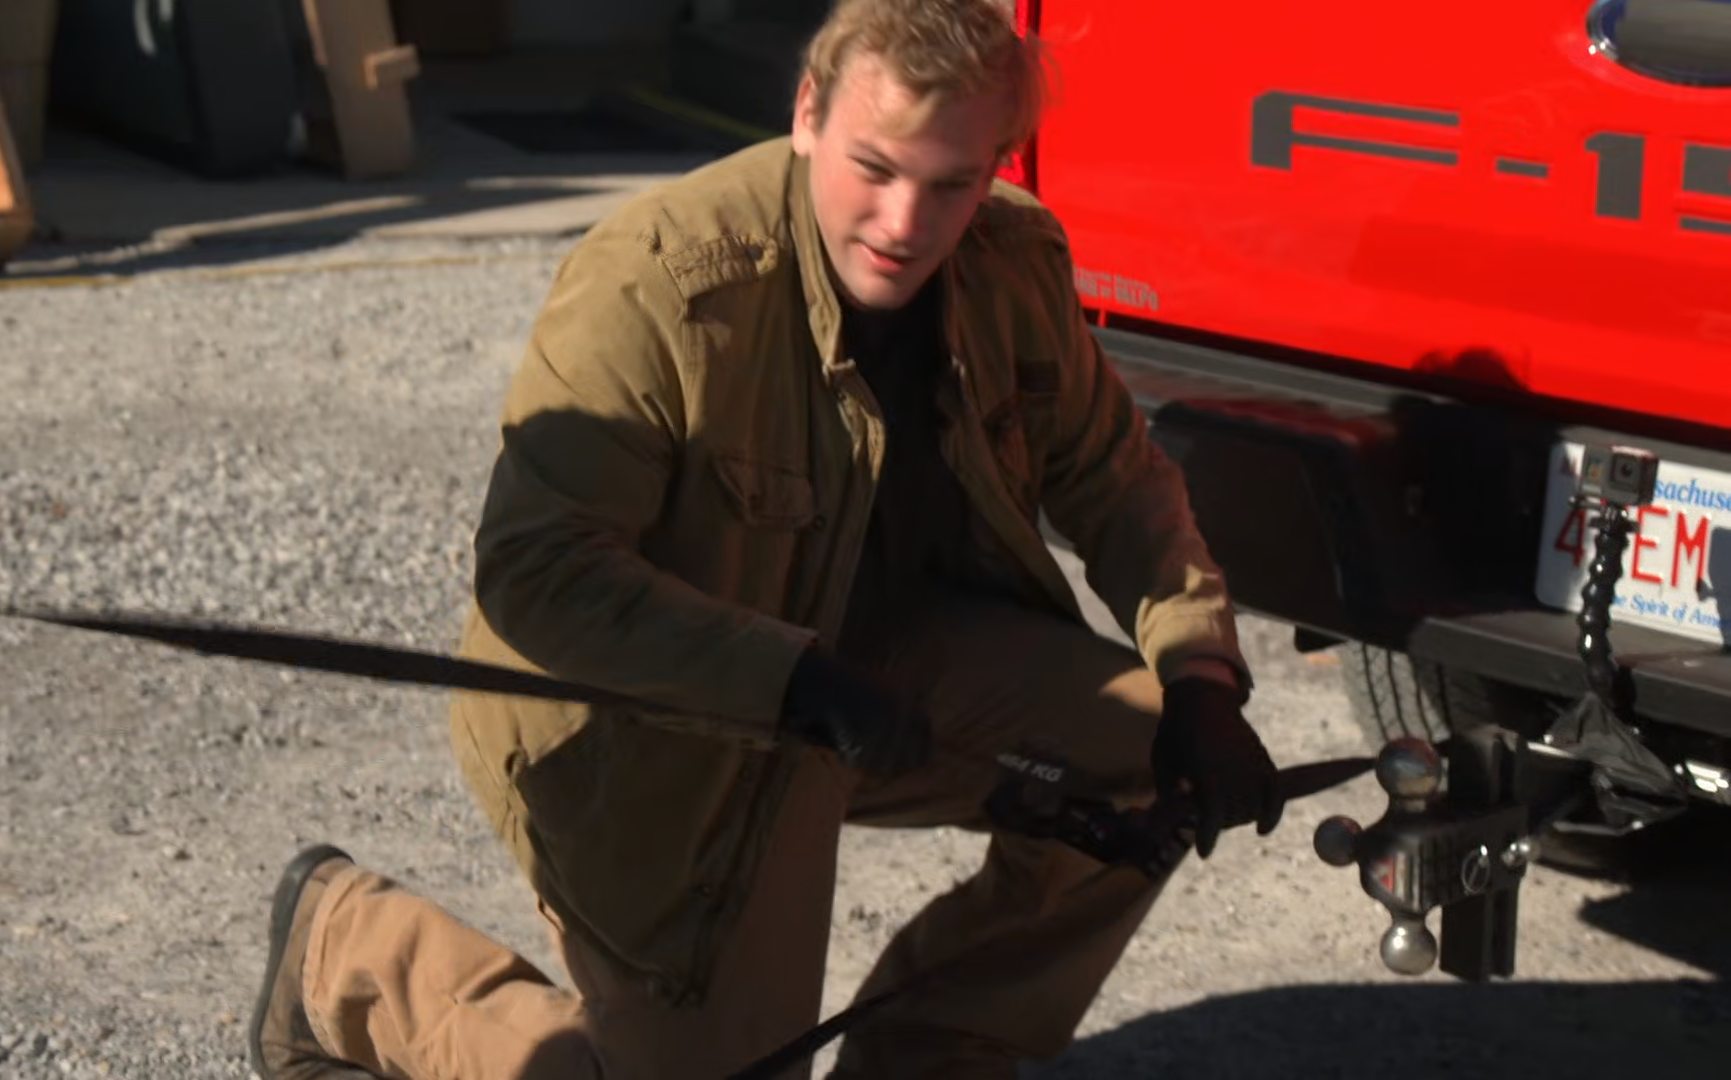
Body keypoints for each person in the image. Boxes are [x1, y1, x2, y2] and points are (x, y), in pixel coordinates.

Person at [248, 1, 1282, 1077]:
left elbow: (1116, 480)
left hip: (873, 687)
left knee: (1144, 752)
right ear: (807, 112)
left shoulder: (1010, 257)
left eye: (951, 183)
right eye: (874, 167)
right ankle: (349, 955)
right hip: (658, 725)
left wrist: (1201, 676)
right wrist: (791, 681)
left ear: (995, 166)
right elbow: (539, 571)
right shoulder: (659, 278)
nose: (905, 221)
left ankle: (924, 1059)